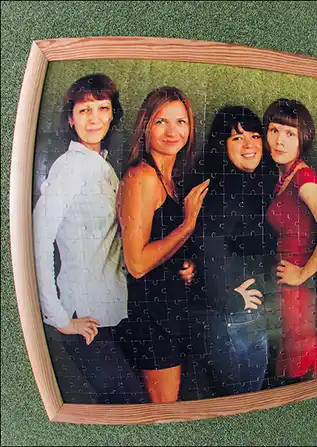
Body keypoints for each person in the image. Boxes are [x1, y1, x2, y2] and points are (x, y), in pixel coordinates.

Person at [33, 73, 146, 404]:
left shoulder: (102, 166)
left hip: (112, 314)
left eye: (102, 108)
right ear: (71, 119)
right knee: (130, 405)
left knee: (122, 409)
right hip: (84, 317)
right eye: (84, 110)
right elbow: (37, 238)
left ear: (112, 115)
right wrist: (59, 317)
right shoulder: (70, 167)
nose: (94, 118)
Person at [116, 86, 209, 403]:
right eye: (161, 121)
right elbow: (137, 264)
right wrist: (187, 226)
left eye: (180, 121)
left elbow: (163, 246)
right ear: (145, 126)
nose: (172, 131)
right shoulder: (141, 177)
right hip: (152, 320)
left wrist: (186, 265)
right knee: (165, 415)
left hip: (175, 314)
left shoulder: (173, 177)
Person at [190, 105, 277, 396]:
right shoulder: (223, 189)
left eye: (254, 136)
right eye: (237, 138)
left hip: (240, 317)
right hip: (233, 319)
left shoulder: (249, 184)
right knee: (243, 403)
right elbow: (210, 248)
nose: (249, 145)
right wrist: (230, 300)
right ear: (222, 145)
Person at [263, 98, 317, 381]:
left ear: (303, 139)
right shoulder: (282, 175)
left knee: (304, 361)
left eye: (290, 133)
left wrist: (301, 274)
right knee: (298, 358)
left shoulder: (303, 178)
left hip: (297, 288)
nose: (279, 140)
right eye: (274, 130)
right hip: (283, 286)